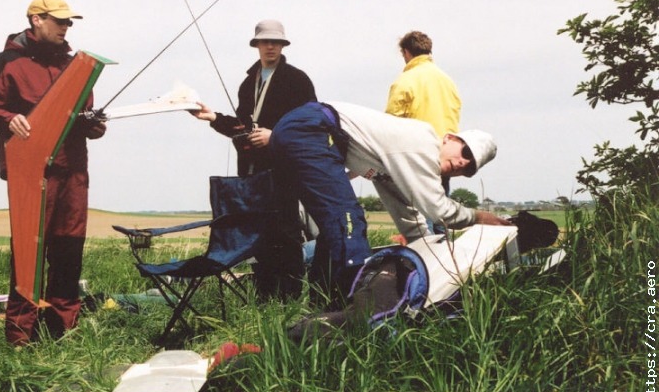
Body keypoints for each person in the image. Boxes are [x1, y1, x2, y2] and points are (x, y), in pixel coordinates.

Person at [270, 101, 511, 306]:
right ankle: (354, 308)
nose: (461, 163)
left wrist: (433, 256)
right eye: (465, 152)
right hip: (312, 129)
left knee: (337, 224)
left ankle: (321, 304)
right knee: (348, 221)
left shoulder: (401, 164)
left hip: (303, 130)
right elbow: (438, 210)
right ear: (448, 138)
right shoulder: (423, 143)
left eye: (469, 168)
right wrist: (480, 217)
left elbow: (407, 214)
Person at [0, 0, 106, 346]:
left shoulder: (75, 66)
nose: (66, 27)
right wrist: (9, 118)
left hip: (73, 171)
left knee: (68, 250)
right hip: (32, 173)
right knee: (29, 252)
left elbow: (81, 118)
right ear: (37, 20)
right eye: (60, 21)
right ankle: (20, 340)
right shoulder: (9, 63)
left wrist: (93, 125)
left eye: (69, 23)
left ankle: (62, 332)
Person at [191, 19, 316, 299]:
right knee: (259, 236)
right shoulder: (249, 83)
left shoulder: (298, 80)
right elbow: (243, 126)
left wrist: (275, 136)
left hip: (282, 171)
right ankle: (264, 298)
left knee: (287, 234)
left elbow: (311, 122)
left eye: (276, 42)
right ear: (257, 45)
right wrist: (212, 118)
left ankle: (291, 298)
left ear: (283, 45)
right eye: (265, 41)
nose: (270, 46)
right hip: (252, 172)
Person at [386, 30, 462, 235]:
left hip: (416, 157)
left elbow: (390, 124)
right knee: (441, 216)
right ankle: (448, 263)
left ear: (406, 52)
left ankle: (426, 262)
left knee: (420, 221)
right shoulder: (447, 81)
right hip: (445, 155)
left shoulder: (405, 80)